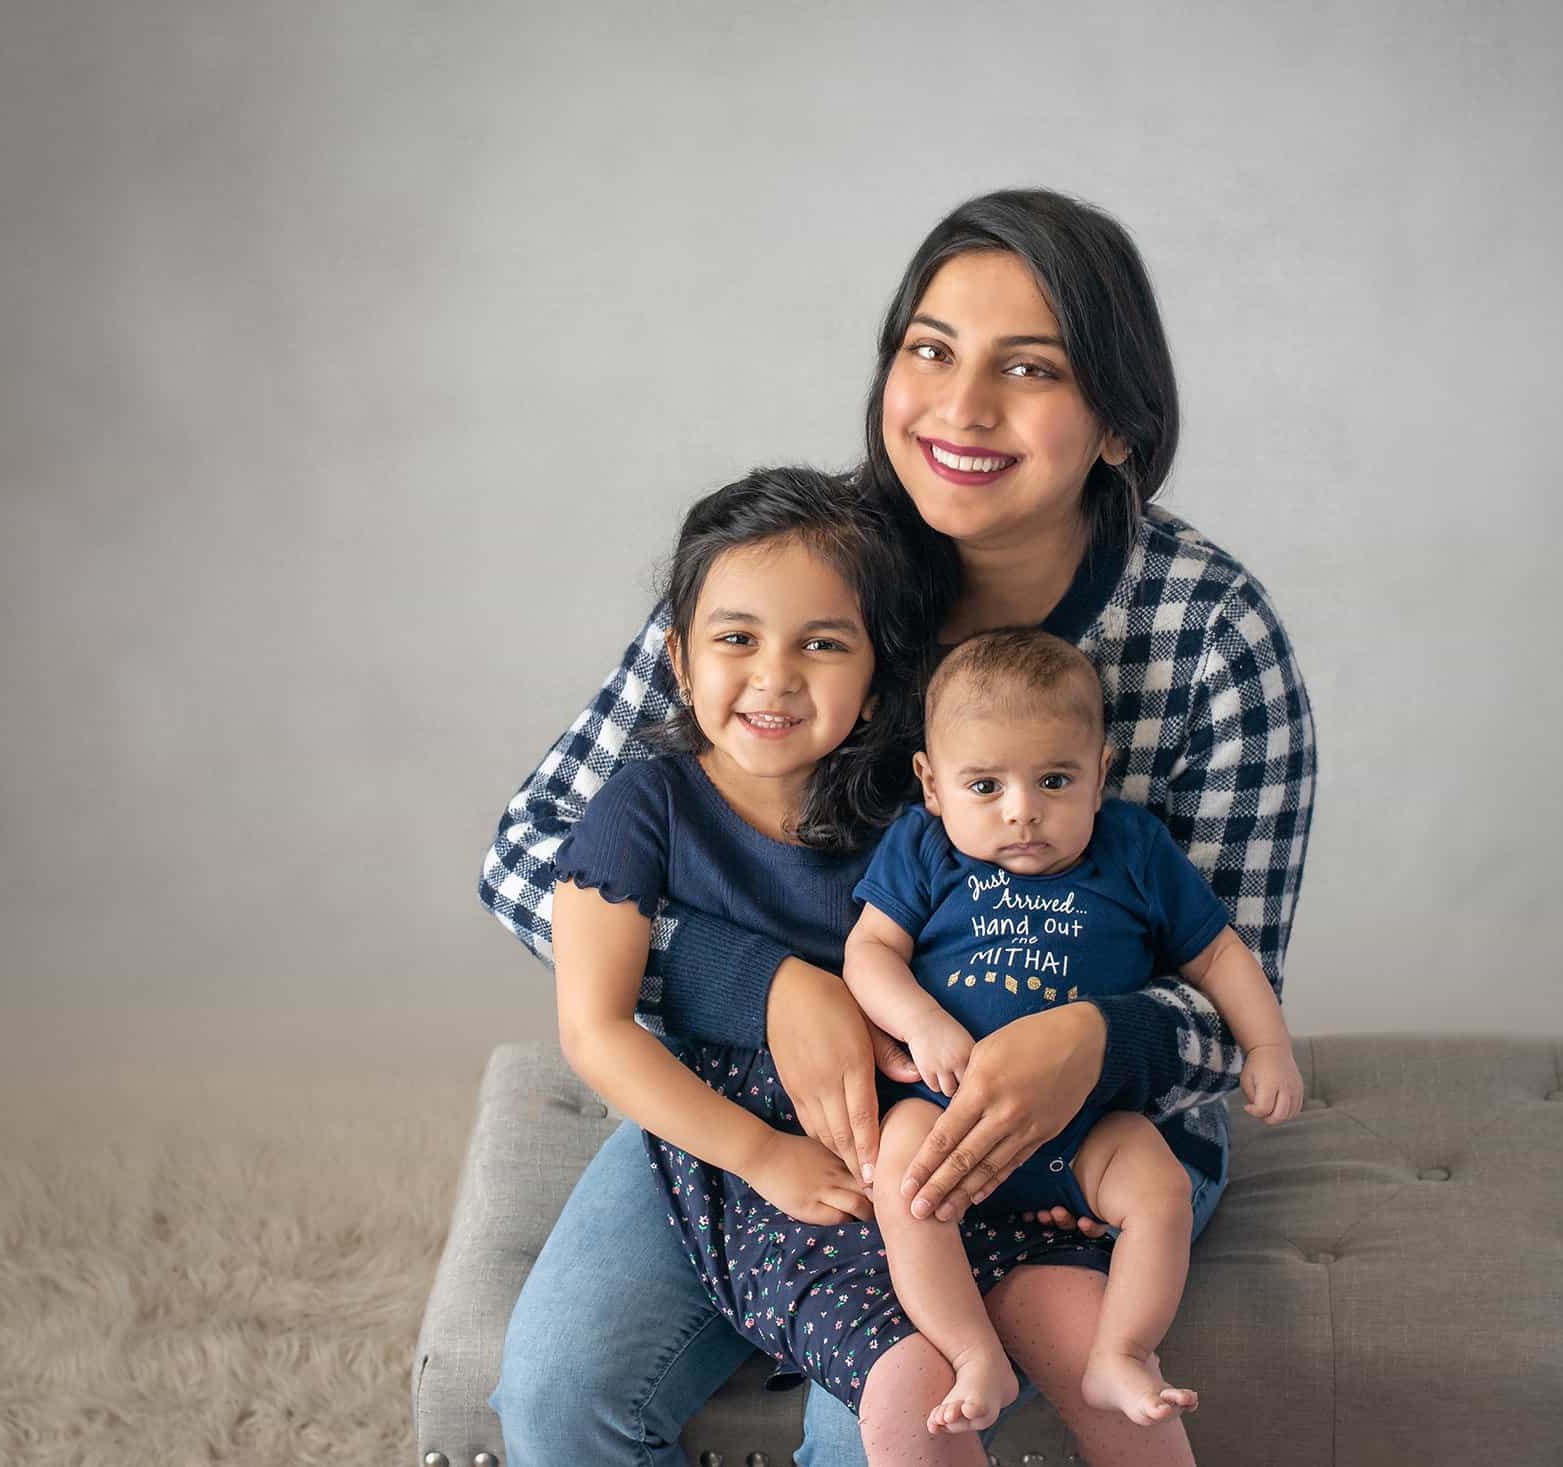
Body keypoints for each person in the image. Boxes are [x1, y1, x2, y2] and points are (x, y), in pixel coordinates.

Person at [486, 188, 1317, 1467]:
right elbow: (534, 849)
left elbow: (1231, 991)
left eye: (1026, 369)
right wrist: (754, 982)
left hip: (1083, 1131)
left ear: (1116, 425)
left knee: (885, 1416)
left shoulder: (1212, 641)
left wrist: (1096, 1042)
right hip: (766, 1097)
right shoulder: (796, 572)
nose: (960, 409)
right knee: (560, 1397)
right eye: (927, 351)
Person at [542, 466, 1117, 1465]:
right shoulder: (643, 807)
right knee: (561, 1394)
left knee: (910, 1392)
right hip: (721, 1133)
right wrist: (759, 1155)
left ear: (874, 674)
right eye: (736, 639)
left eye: (821, 644)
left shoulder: (924, 812)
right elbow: (592, 1030)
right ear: (678, 658)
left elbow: (1021, 966)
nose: (772, 678)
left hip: (900, 1137)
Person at [844, 628, 1304, 1446]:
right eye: (984, 785)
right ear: (933, 784)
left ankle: (1122, 1350)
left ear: (1101, 773)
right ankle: (970, 1348)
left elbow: (1221, 953)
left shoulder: (1132, 849)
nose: (1021, 809)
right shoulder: (922, 850)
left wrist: (1268, 1046)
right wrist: (922, 1021)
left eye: (1054, 779)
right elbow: (869, 952)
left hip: (1088, 1121)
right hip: (950, 1112)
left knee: (1156, 1188)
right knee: (901, 1178)